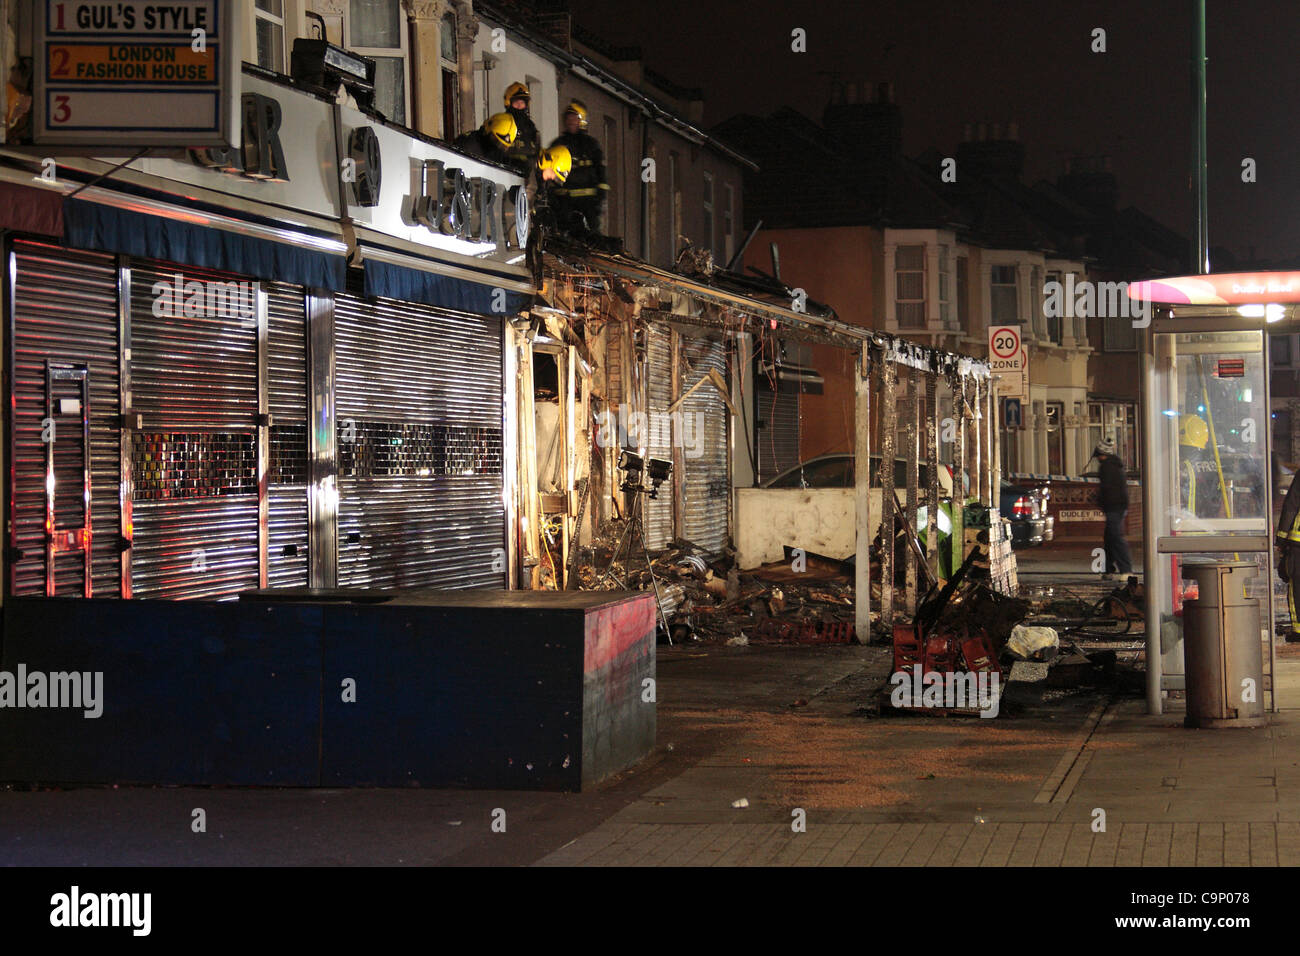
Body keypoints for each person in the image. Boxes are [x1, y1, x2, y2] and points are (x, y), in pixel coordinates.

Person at [548, 100, 608, 235]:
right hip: (564, 202)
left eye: (574, 118)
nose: (570, 121)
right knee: (563, 238)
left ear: (582, 120)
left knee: (592, 237)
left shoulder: (591, 145)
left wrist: (600, 198)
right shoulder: (558, 144)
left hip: (588, 204)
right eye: (568, 118)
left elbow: (601, 172)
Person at [1093, 438, 1133, 580]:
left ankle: (1126, 570)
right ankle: (1108, 569)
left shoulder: (1107, 467)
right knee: (1110, 538)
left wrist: (1099, 500)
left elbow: (1108, 489)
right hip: (1118, 506)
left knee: (1116, 537)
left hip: (1114, 507)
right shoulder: (1115, 465)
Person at [1276, 465, 1300, 640]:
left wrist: (1281, 540)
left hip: (1298, 542)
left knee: (1297, 585)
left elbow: (1291, 506)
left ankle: (1299, 630)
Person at [501, 81, 540, 178]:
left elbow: (537, 156)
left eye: (522, 103)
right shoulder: (502, 123)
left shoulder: (531, 128)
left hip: (526, 175)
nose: (519, 106)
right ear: (509, 103)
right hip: (504, 171)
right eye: (516, 102)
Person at [452, 112, 517, 162]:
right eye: (495, 140)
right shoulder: (468, 145)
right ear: (487, 129)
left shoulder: (494, 152)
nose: (498, 146)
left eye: (503, 146)